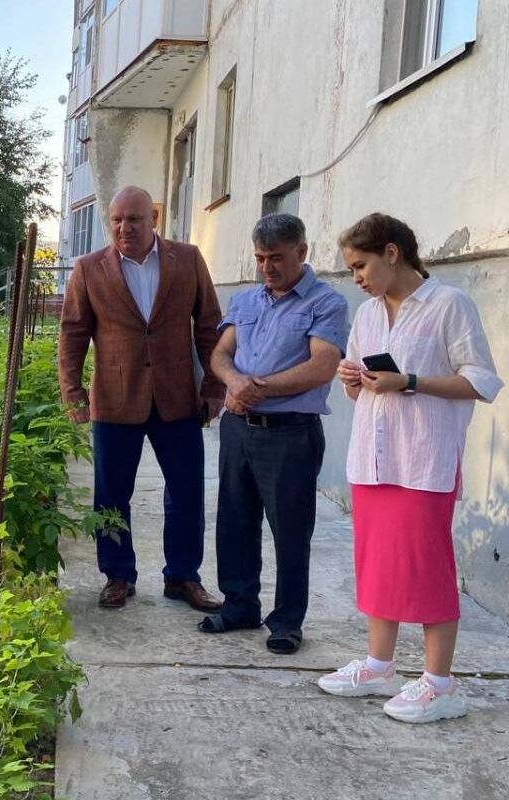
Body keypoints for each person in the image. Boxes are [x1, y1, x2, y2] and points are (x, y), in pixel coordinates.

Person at [317, 213, 501, 722]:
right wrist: (351, 378)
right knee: (377, 564)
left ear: (392, 253)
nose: (355, 276)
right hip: (372, 459)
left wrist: (412, 381)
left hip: (423, 459)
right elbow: (357, 388)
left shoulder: (449, 305)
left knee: (427, 569)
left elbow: (482, 381)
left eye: (360, 264)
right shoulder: (369, 313)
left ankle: (441, 684)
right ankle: (379, 666)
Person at [58, 185, 225, 612]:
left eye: (133, 219)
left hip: (178, 398)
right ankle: (118, 575)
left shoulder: (186, 260)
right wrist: (72, 392)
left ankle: (183, 576)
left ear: (152, 218)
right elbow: (73, 333)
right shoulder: (89, 268)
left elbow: (209, 325)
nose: (123, 227)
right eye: (115, 220)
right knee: (111, 494)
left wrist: (214, 387)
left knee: (187, 491)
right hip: (115, 399)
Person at [200, 213, 349, 655]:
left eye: (277, 257)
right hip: (238, 429)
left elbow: (322, 365)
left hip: (290, 434)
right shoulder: (246, 301)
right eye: (261, 257)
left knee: (290, 530)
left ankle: (286, 621)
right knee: (235, 520)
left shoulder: (326, 303)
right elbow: (220, 354)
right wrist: (232, 380)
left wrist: (254, 389)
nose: (267, 266)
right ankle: (239, 605)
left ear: (302, 253)